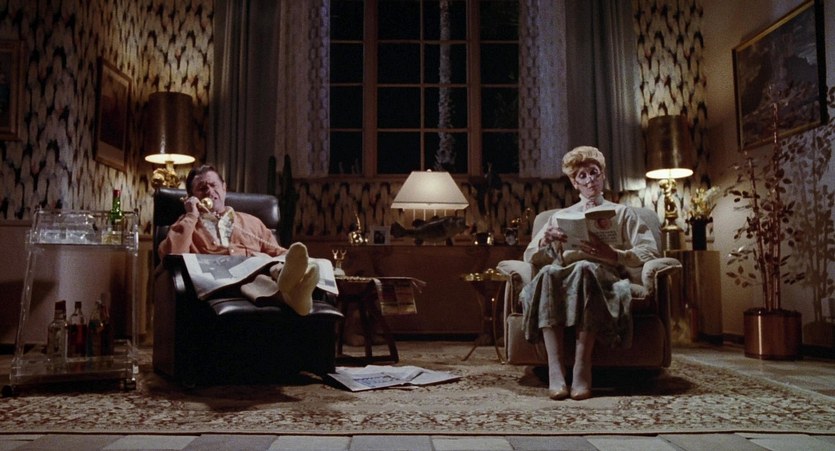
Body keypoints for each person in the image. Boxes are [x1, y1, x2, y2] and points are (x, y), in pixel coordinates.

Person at [521, 146, 659, 401]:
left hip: (603, 275)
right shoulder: (561, 216)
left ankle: (582, 367)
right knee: (548, 273)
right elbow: (530, 256)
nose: (589, 180)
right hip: (563, 274)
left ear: (603, 175)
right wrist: (545, 242)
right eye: (581, 176)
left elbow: (649, 250)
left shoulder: (623, 212)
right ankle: (555, 369)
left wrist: (614, 255)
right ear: (574, 183)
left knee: (585, 268)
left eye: (593, 172)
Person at [158, 164, 318, 315]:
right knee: (259, 279)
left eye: (213, 185)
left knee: (273, 266)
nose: (209, 191)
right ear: (192, 197)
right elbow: (171, 256)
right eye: (202, 188)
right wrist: (191, 214)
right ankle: (296, 296)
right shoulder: (187, 225)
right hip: (222, 283)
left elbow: (278, 253)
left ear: (224, 188)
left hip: (259, 272)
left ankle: (295, 287)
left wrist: (288, 260)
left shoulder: (252, 222)